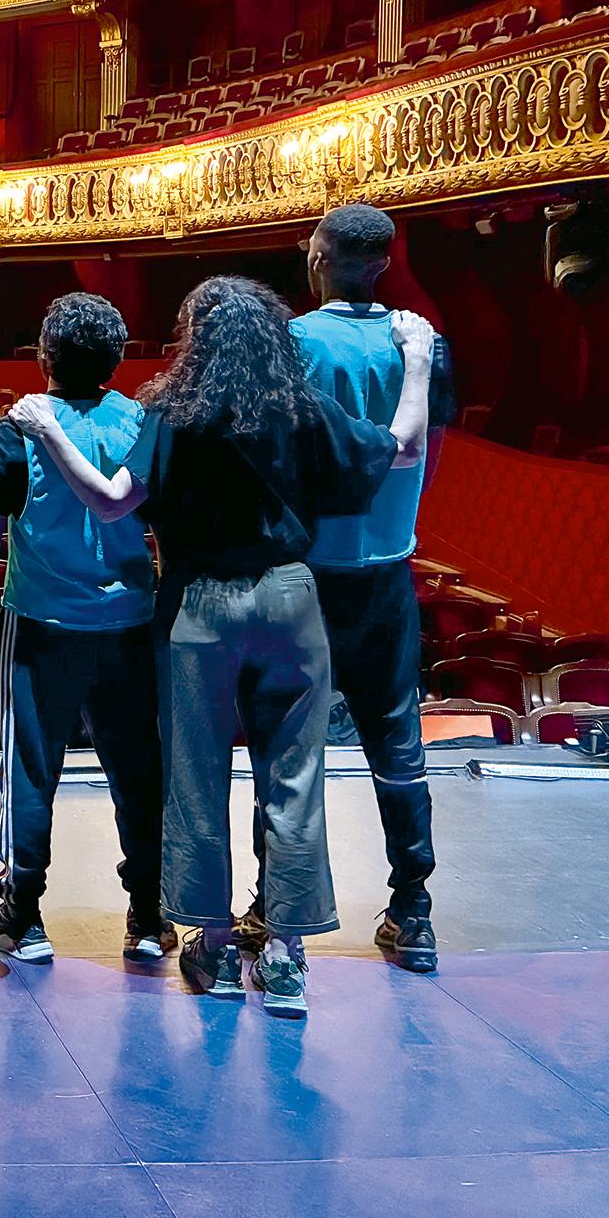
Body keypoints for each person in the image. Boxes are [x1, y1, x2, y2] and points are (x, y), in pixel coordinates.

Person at [9, 276, 433, 1019]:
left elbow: (111, 500)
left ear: (195, 336)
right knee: (294, 778)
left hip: (199, 607)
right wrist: (418, 362)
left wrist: (49, 430)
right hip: (291, 600)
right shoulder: (302, 405)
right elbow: (402, 448)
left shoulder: (173, 409)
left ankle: (212, 947)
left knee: (196, 778)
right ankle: (286, 957)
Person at [237, 205, 456, 972]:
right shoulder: (423, 343)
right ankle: (413, 913)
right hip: (388, 571)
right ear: (383, 265)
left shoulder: (289, 343)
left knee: (285, 748)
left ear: (318, 259)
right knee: (397, 744)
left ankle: (275, 907)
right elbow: (431, 445)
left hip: (306, 573)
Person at [0, 293, 172, 966]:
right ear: (116, 361)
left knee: (29, 769)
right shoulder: (142, 421)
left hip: (41, 624)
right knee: (138, 770)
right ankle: (148, 916)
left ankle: (22, 915)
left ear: (43, 356)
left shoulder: (16, 431)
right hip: (130, 624)